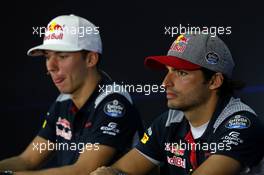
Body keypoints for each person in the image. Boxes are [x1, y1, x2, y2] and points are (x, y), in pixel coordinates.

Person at [90, 33, 264, 175]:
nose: (165, 83)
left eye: (181, 73)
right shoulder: (169, 122)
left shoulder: (241, 125)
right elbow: (120, 171)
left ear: (214, 81)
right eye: (168, 71)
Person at [0, 14, 143, 175]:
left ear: (90, 59)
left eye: (62, 56)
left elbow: (82, 171)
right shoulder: (64, 100)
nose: (51, 67)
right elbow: (26, 160)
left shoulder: (114, 104)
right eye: (47, 56)